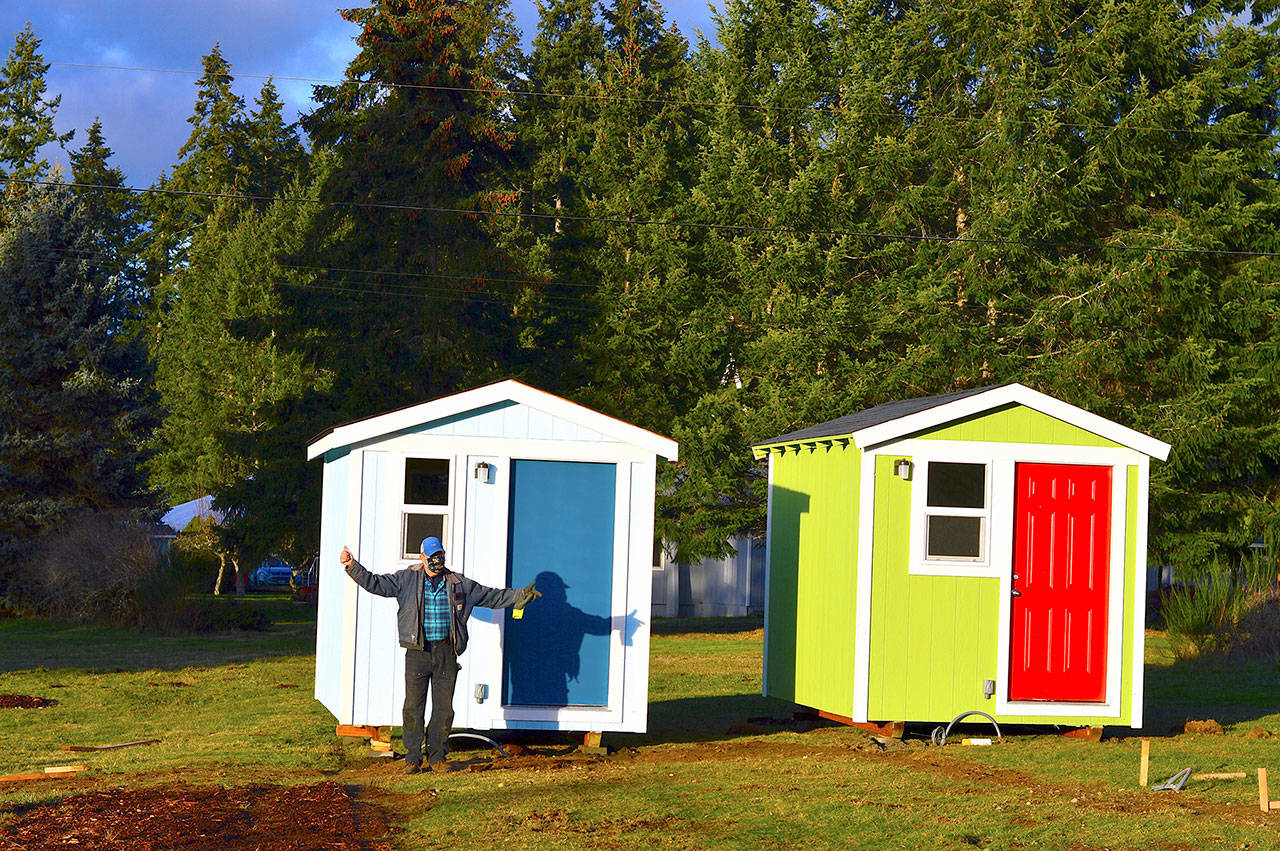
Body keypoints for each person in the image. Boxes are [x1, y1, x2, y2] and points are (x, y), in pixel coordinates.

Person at [339, 536, 540, 774]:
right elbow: (376, 584)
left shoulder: (458, 583)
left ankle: (437, 758)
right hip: (417, 652)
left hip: (446, 652)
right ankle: (413, 759)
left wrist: (518, 596)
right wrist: (353, 567)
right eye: (432, 556)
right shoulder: (406, 579)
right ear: (422, 557)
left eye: (440, 555)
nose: (437, 560)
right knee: (413, 707)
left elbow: (491, 596)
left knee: (444, 709)